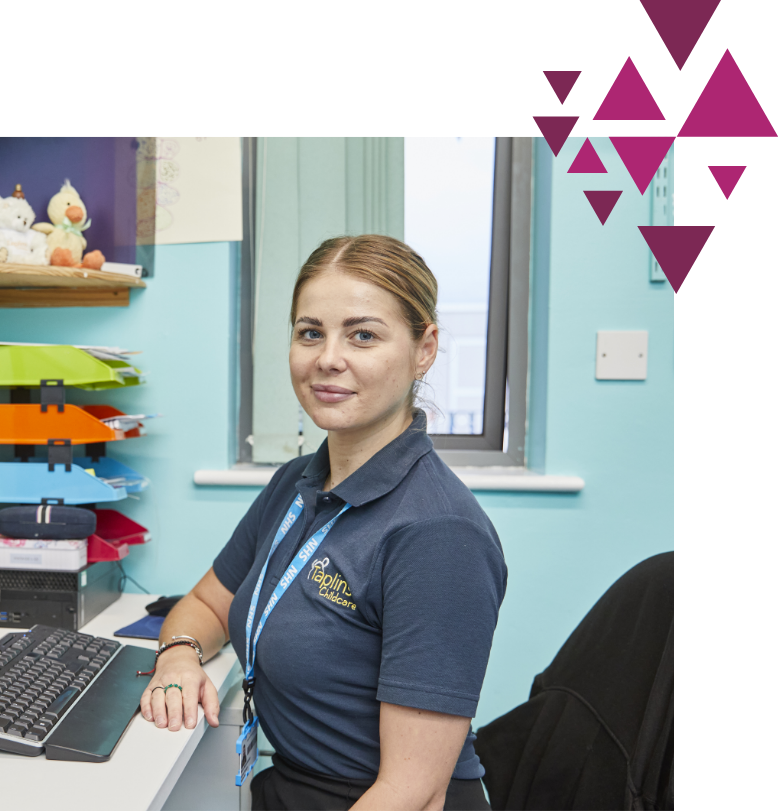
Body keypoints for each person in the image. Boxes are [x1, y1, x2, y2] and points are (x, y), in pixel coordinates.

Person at [139, 235, 508, 811]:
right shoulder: (295, 484)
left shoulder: (438, 532)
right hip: (289, 785)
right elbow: (207, 606)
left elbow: (414, 791)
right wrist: (180, 655)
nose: (327, 358)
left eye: (363, 335)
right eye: (311, 332)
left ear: (424, 349)